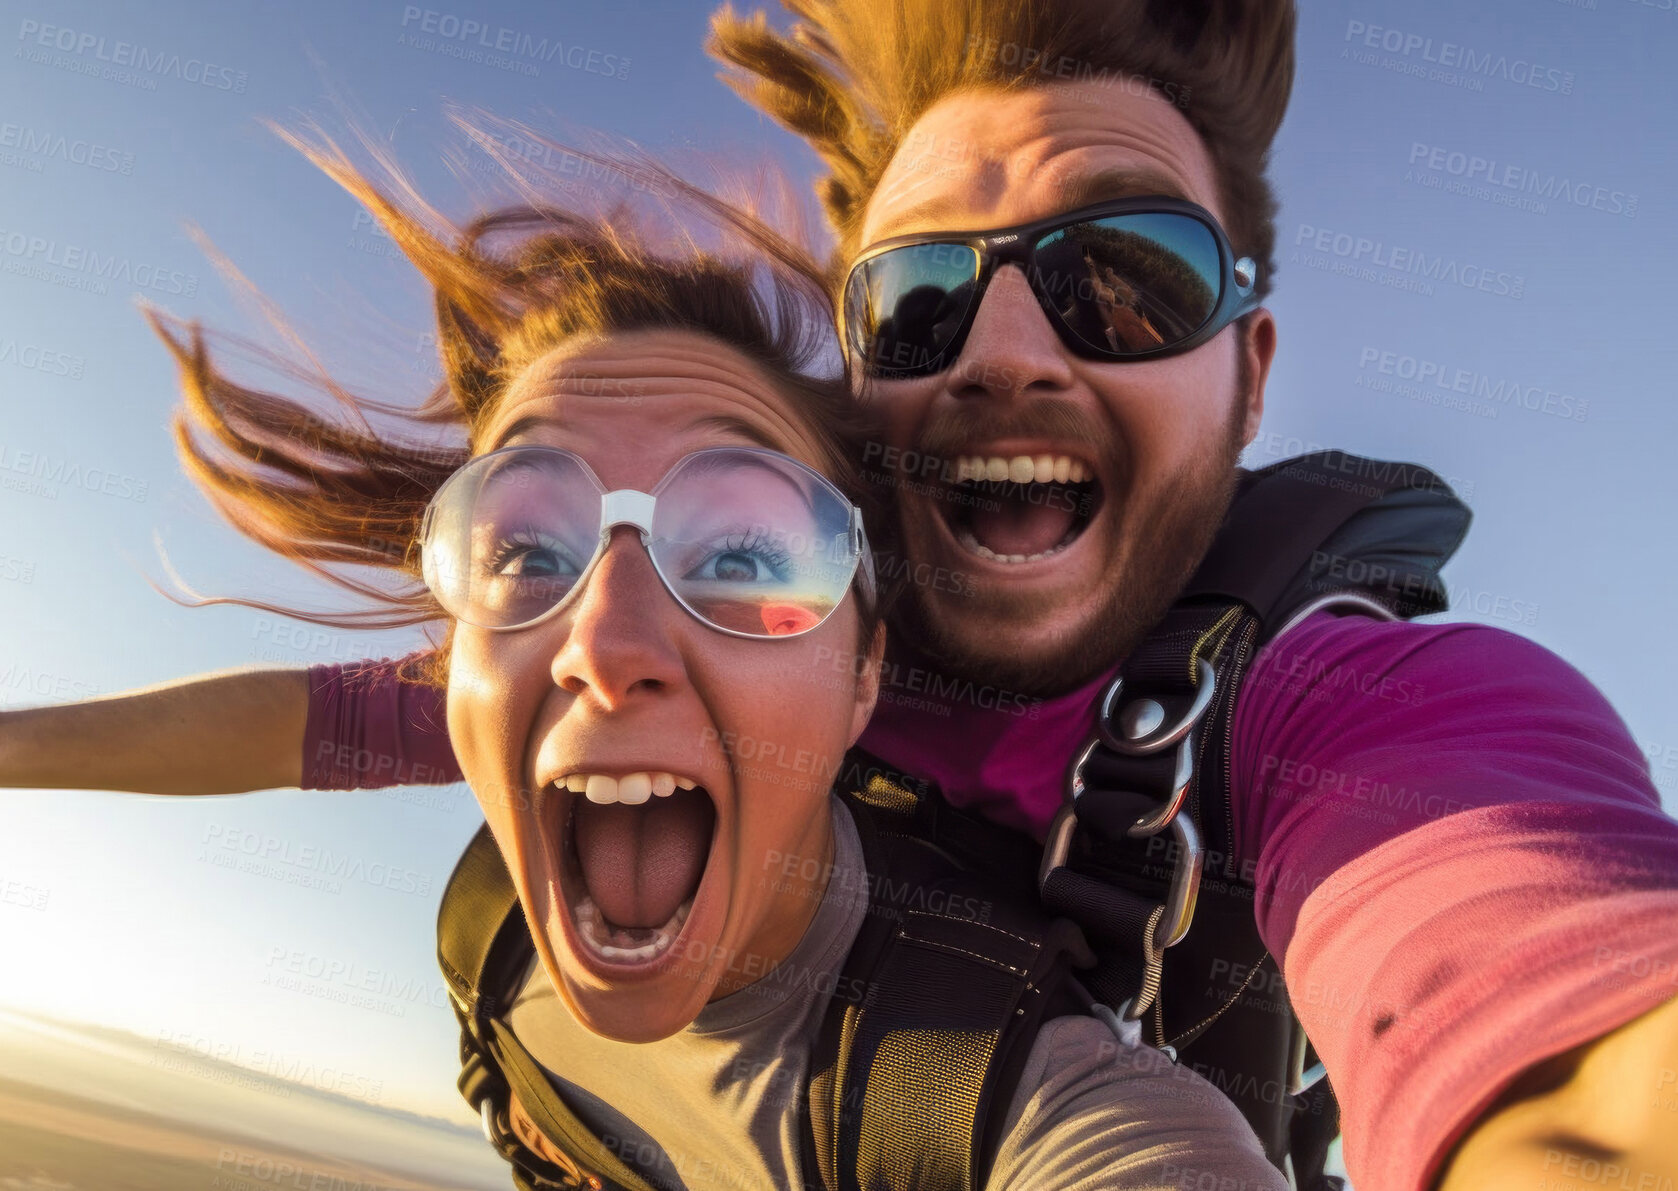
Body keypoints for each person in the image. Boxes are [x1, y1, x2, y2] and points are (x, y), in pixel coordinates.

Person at [5, 2, 1677, 1188]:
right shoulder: (726, 595)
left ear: (1246, 381)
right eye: (926, 295)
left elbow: (1552, 1001)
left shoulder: (1367, 718)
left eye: (1125, 277)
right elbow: (330, 721)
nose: (1008, 351)